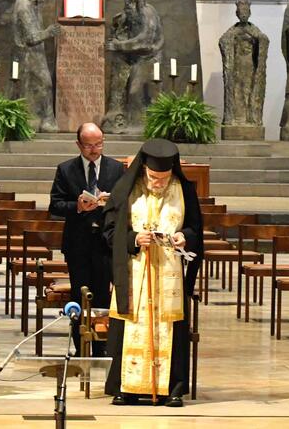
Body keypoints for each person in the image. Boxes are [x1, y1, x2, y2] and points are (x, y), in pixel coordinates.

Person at [103, 139, 202, 407]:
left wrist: (184, 237)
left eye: (164, 178)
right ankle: (127, 387)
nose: (159, 183)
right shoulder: (126, 191)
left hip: (169, 274)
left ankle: (172, 388)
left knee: (170, 326)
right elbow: (110, 232)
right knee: (132, 323)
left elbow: (196, 231)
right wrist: (134, 239)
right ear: (144, 168)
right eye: (153, 177)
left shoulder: (184, 191)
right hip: (135, 272)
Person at [48, 122, 125, 354]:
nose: (94, 150)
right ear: (79, 145)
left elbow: (127, 203)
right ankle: (80, 346)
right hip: (78, 243)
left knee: (102, 294)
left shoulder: (116, 168)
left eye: (99, 144)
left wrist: (110, 201)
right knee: (80, 295)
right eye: (89, 145)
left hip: (105, 243)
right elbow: (55, 206)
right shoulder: (66, 169)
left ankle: (101, 346)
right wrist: (78, 207)